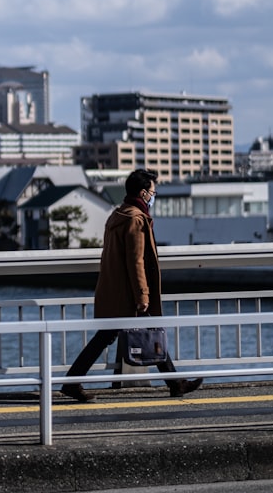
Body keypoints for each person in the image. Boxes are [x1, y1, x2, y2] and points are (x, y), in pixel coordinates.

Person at [61, 168, 202, 403]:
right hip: (129, 294)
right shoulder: (136, 219)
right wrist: (143, 294)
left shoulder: (118, 215)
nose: (154, 196)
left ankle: (176, 383)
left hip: (114, 290)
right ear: (144, 193)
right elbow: (136, 261)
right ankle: (176, 384)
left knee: (117, 336)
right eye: (153, 192)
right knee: (148, 334)